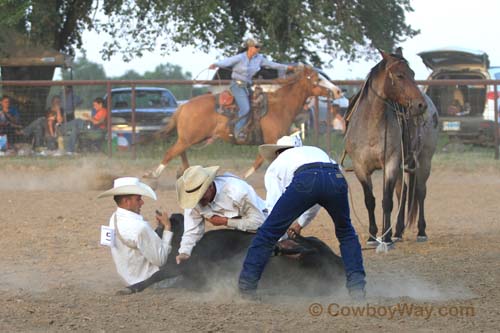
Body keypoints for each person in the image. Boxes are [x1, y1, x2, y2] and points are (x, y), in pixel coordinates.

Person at [238, 135, 367, 299]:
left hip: (306, 178)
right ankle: (357, 289)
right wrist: (300, 223)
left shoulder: (277, 165)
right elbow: (318, 198)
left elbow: (273, 205)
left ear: (277, 153)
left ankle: (246, 288)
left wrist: (281, 237)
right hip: (336, 176)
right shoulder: (314, 151)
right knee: (346, 233)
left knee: (266, 234)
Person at [175, 165, 267, 264]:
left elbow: (260, 222)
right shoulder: (193, 203)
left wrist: (225, 221)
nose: (198, 202)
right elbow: (192, 230)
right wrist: (184, 252)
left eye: (201, 196)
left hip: (265, 229)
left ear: (210, 186)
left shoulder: (237, 191)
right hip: (239, 233)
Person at [209, 38, 294, 142]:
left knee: (260, 103)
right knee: (245, 108)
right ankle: (238, 131)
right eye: (256, 46)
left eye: (259, 47)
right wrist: (216, 64)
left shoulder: (259, 59)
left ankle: (254, 129)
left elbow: (272, 64)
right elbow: (227, 62)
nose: (258, 49)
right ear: (250, 47)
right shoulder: (240, 58)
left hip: (247, 86)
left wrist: (287, 67)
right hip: (237, 85)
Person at [97, 177, 173, 286]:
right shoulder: (140, 227)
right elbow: (161, 260)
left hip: (128, 277)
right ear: (126, 201)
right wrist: (167, 227)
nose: (142, 202)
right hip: (150, 281)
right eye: (138, 199)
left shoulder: (113, 218)